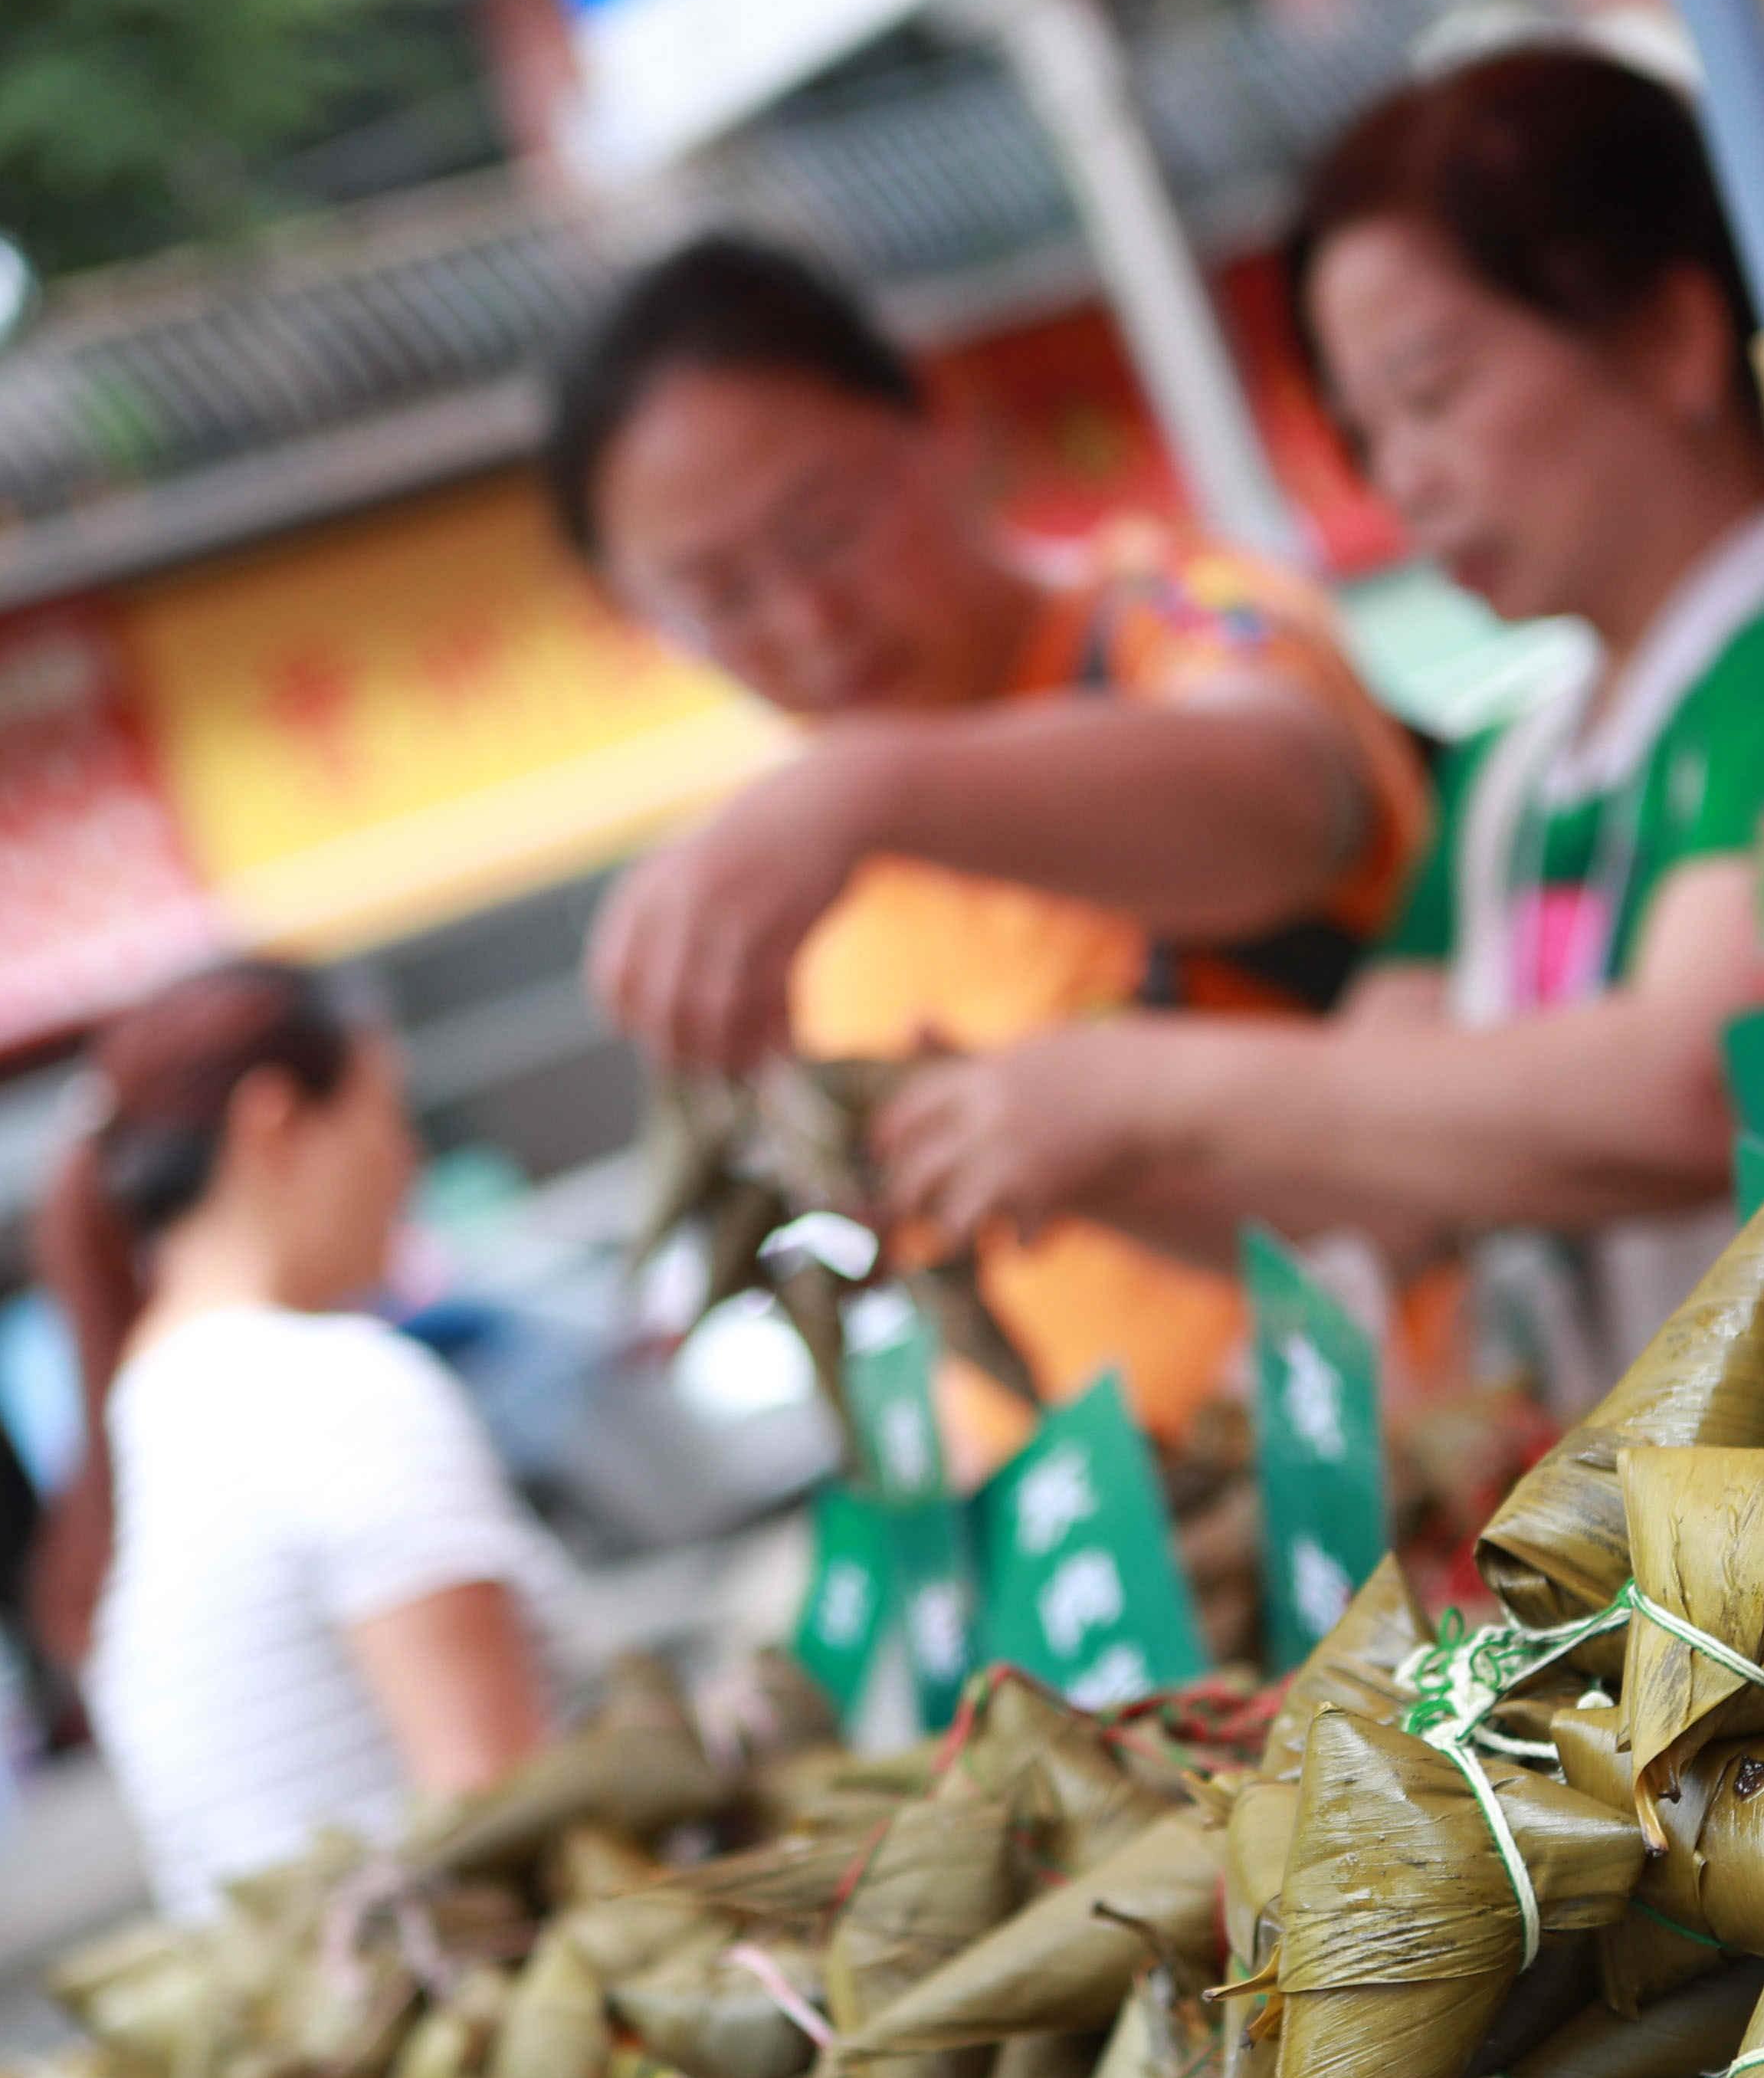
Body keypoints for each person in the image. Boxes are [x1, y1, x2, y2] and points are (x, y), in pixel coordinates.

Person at [871, 45, 1764, 1376]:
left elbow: (1702, 1086)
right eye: (1364, 431)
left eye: (1431, 394)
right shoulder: (1520, 771)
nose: (1403, 478)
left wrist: (1147, 1085)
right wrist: (1067, 1147)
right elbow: (1375, 1188)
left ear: (1670, 335)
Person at [547, 236, 1429, 1443]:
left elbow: (1285, 800)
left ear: (936, 413)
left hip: (1428, 1470)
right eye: (720, 596)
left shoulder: (1168, 614)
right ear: (635, 613)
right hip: (1157, 1576)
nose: (807, 621)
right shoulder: (812, 899)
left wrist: (865, 789)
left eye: (824, 531)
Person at [31, 963, 574, 1919]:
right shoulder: (336, 1392)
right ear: (275, 1123)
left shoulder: (148, 1425)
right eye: (387, 1117)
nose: (408, 1165)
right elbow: (497, 1819)